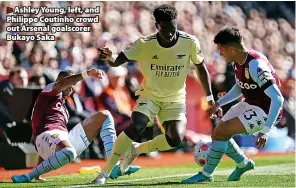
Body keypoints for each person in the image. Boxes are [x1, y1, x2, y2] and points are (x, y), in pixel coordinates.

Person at [93, 4, 219, 184]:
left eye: (173, 29)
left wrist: (210, 98)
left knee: (175, 139)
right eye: (165, 30)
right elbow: (117, 61)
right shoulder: (144, 44)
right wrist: (109, 58)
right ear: (157, 25)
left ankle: (136, 150)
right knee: (138, 125)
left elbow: (201, 68)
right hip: (149, 96)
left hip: (174, 99)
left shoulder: (189, 41)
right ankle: (104, 173)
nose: (170, 34)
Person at [181, 27, 284, 183]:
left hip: (267, 110)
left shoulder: (256, 65)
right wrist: (218, 103)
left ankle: (206, 175)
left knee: (223, 132)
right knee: (218, 133)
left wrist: (265, 130)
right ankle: (243, 164)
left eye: (221, 50)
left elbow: (278, 99)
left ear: (231, 48)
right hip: (251, 103)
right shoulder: (237, 60)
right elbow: (240, 86)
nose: (220, 54)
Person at [11, 69, 139, 183]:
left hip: (58, 140)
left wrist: (41, 162)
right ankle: (28, 176)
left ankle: (114, 165)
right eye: (70, 84)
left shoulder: (63, 107)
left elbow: (51, 142)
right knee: (69, 151)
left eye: (73, 85)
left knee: (104, 115)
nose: (71, 88)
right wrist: (87, 73)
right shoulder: (49, 90)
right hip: (45, 137)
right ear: (60, 82)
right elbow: (46, 135)